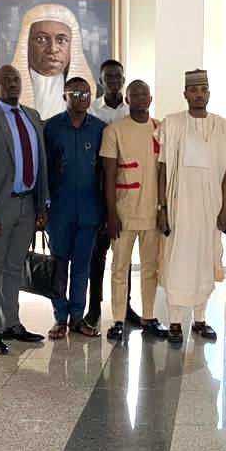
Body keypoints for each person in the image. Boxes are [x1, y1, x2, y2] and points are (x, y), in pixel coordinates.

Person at [0, 65, 49, 355]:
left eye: (16, 79)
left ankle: (12, 323)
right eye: (5, 81)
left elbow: (41, 163)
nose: (12, 84)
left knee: (15, 266)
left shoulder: (33, 116)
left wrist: (43, 204)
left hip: (28, 203)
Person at [157, 69, 226, 345]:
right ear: (185, 94)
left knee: (205, 261)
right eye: (193, 90)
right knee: (177, 263)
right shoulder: (172, 124)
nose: (199, 94)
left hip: (209, 208)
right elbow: (162, 168)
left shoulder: (223, 127)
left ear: (209, 94)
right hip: (179, 207)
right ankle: (175, 321)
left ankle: (200, 319)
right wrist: (162, 208)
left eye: (203, 90)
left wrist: (225, 208)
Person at [100, 80, 171, 342]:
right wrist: (111, 214)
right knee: (120, 268)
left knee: (151, 267)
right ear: (127, 100)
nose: (140, 98)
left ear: (150, 99)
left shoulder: (160, 129)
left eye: (144, 94)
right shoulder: (114, 131)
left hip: (153, 212)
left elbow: (165, 173)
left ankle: (149, 317)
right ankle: (118, 320)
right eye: (135, 94)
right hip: (123, 212)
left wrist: (163, 209)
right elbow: (108, 175)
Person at [44, 77, 105, 339]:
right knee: (59, 266)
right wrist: (42, 208)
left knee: (82, 266)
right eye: (76, 93)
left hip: (90, 209)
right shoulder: (51, 127)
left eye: (86, 93)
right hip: (59, 210)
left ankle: (77, 318)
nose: (82, 98)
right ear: (64, 96)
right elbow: (43, 169)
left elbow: (105, 171)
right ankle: (60, 317)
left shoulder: (99, 128)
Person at [86, 59, 141, 328]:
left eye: (118, 76)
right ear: (101, 80)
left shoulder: (133, 111)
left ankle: (125, 307)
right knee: (97, 254)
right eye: (108, 77)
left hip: (126, 190)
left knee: (124, 255)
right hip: (98, 188)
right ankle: (94, 308)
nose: (114, 81)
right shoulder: (92, 111)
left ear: (123, 79)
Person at [10, 3, 96, 120]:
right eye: (41, 39)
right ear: (26, 44)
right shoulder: (7, 94)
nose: (53, 49)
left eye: (61, 40)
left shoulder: (93, 96)